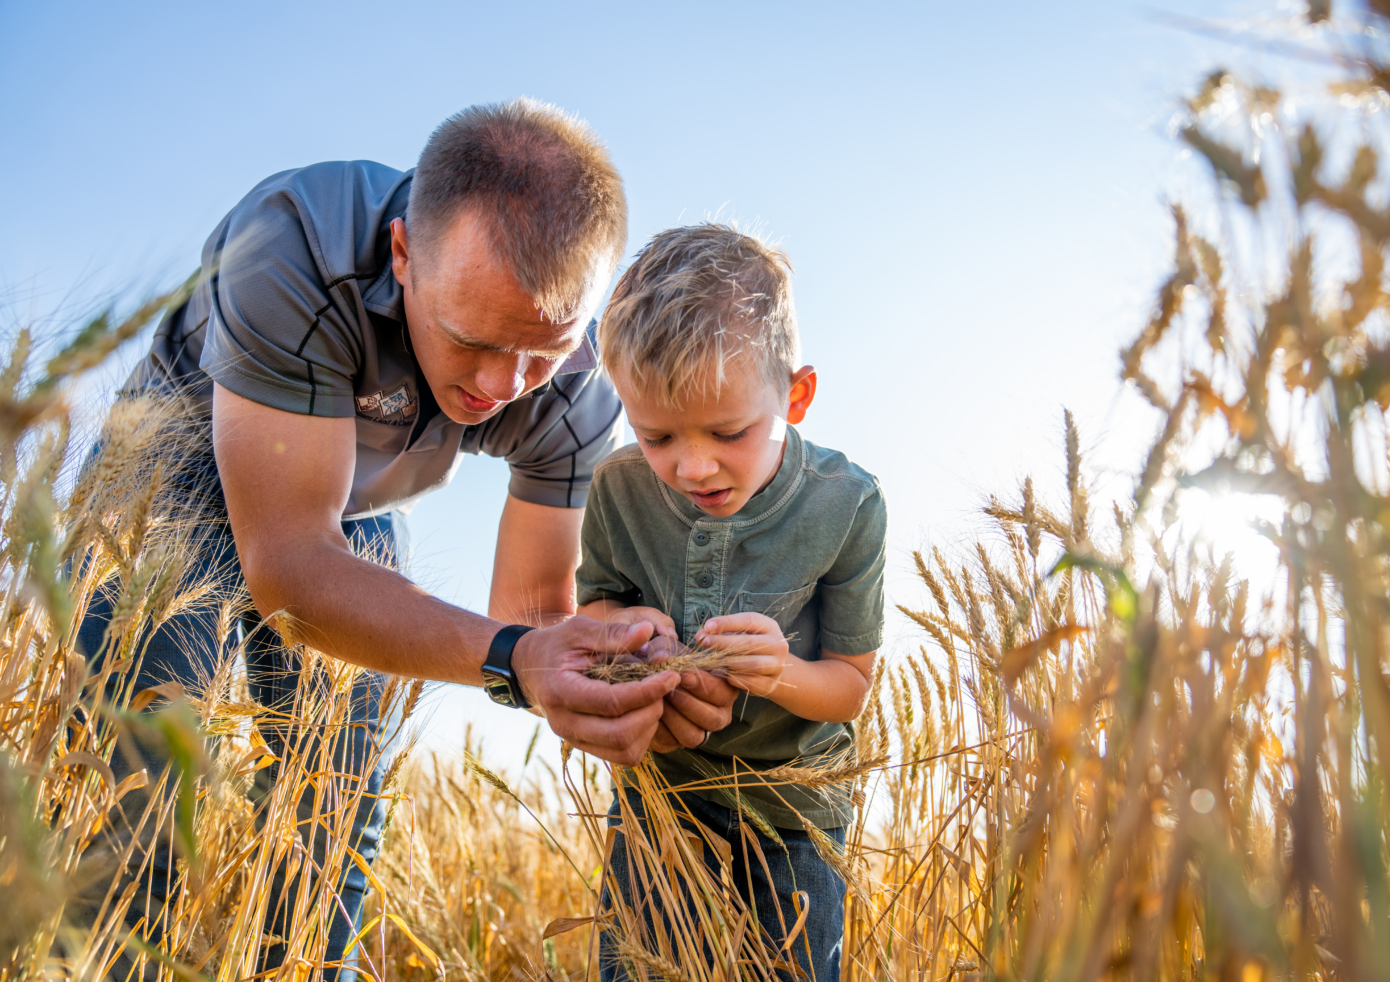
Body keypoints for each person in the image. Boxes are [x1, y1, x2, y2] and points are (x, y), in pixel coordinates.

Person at [77, 101, 736, 981]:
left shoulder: (579, 382)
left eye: (541, 352)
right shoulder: (296, 245)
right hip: (169, 470)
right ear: (402, 256)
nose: (504, 388)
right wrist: (517, 657)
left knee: (339, 809)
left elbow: (533, 616)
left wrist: (618, 672)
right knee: (147, 775)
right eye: (472, 341)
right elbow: (293, 569)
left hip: (349, 504)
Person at [576, 224, 887, 982]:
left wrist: (777, 673)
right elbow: (589, 619)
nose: (691, 464)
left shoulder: (849, 505)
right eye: (655, 436)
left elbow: (847, 686)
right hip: (662, 802)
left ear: (798, 395)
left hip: (795, 819)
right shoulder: (618, 491)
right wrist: (624, 633)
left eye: (728, 431)